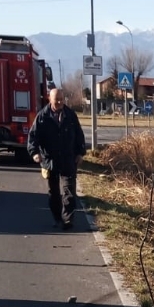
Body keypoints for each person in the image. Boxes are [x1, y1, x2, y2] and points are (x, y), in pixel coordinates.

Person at [27, 88, 87, 230]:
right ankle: (57, 218)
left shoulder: (70, 115)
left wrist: (80, 153)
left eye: (61, 99)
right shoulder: (42, 116)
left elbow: (79, 135)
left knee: (69, 191)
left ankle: (68, 220)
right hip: (50, 160)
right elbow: (33, 137)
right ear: (50, 99)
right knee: (53, 193)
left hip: (68, 159)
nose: (60, 102)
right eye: (56, 99)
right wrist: (34, 153)